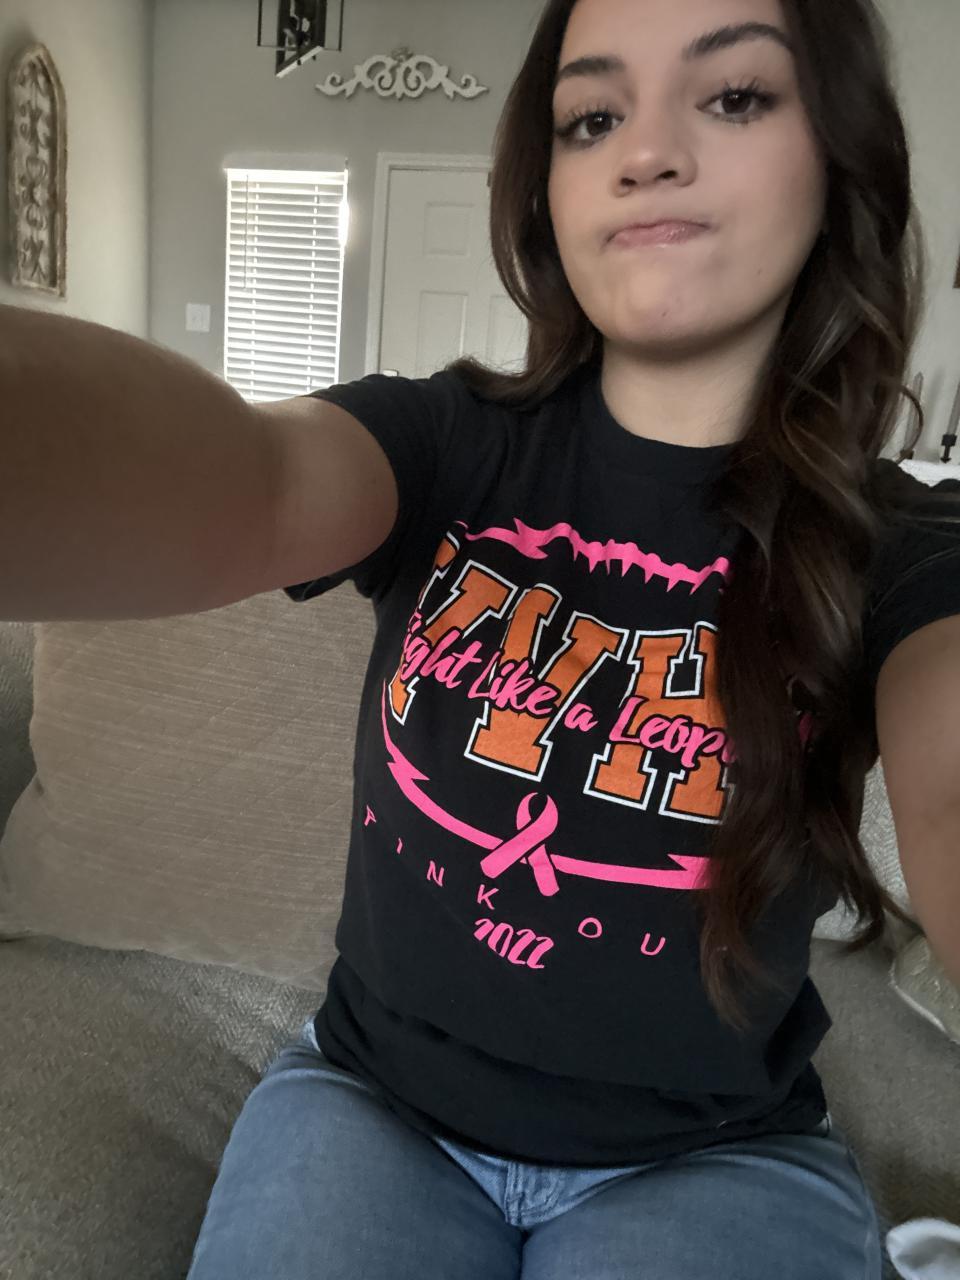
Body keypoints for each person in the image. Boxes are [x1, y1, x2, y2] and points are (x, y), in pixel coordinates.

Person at [3, 0, 959, 1277]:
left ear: (839, 154)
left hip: (717, 1156)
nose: (645, 152)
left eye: (734, 96)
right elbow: (247, 477)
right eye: (592, 116)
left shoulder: (904, 547)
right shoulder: (442, 443)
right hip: (372, 1104)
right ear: (544, 185)